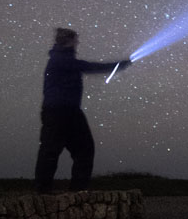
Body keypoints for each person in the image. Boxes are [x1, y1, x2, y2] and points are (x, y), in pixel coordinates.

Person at [33, 27, 131, 193]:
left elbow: (83, 66)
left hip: (68, 111)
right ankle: (45, 192)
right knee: (52, 151)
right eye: (75, 40)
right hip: (58, 112)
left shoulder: (61, 58)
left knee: (80, 150)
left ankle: (76, 192)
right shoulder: (60, 59)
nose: (77, 43)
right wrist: (118, 66)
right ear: (69, 41)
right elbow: (88, 66)